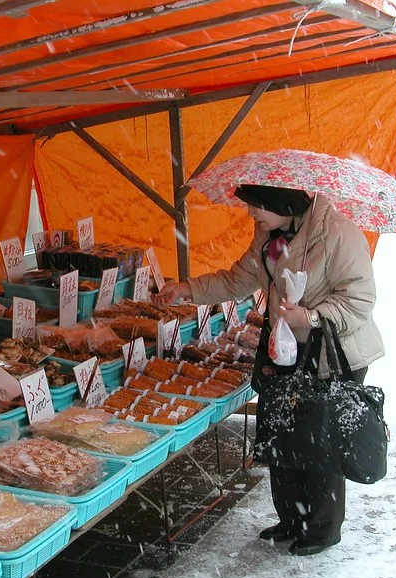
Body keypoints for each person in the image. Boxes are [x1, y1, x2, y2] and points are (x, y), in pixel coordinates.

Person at [156, 185, 383, 556]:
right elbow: (237, 280)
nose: (251, 215)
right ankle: (292, 519)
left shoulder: (338, 235)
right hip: (286, 351)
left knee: (319, 443)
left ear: (281, 203)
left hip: (331, 352)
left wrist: (311, 315)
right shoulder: (274, 239)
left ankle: (322, 529)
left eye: (256, 207)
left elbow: (360, 299)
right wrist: (187, 289)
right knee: (282, 437)